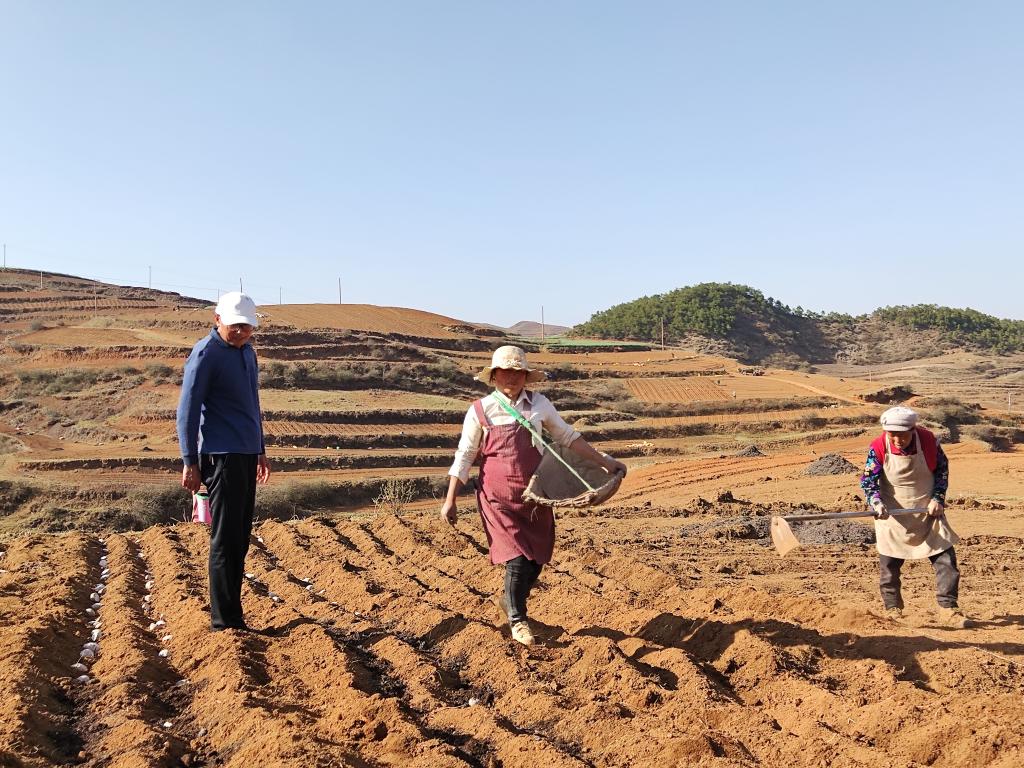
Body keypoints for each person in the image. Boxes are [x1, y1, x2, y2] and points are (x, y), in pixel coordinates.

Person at [440, 346, 626, 646]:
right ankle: (518, 621)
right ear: (494, 375)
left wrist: (606, 462)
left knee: (536, 559)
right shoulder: (480, 410)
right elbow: (465, 455)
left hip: (536, 495)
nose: (511, 378)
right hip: (496, 497)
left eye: (517, 372)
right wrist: (450, 499)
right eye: (505, 372)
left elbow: (568, 437)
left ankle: (510, 601)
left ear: (525, 376)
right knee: (516, 558)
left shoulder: (539, 404)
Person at [177, 291, 270, 631]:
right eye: (236, 326)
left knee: (240, 536)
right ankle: (224, 622)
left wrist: (260, 449)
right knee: (225, 538)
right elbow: (186, 411)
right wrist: (189, 461)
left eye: (247, 326)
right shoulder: (206, 353)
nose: (243, 332)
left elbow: (252, 403)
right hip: (222, 455)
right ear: (218, 320)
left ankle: (233, 616)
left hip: (246, 453)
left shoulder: (248, 352)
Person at [859, 406, 968, 627]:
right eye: (893, 434)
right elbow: (869, 480)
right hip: (891, 514)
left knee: (946, 561)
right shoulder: (879, 447)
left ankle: (948, 609)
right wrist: (875, 502)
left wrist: (938, 498)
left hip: (928, 511)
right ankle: (893, 610)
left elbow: (942, 471)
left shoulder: (929, 442)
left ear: (913, 429)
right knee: (889, 566)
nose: (898, 439)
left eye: (903, 434)